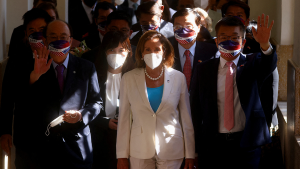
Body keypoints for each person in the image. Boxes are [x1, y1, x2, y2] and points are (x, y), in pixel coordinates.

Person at [190, 16, 276, 169]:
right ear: (216, 41)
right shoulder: (204, 69)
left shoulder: (252, 63)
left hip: (246, 144)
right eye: (224, 37)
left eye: (235, 38)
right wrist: (195, 149)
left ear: (243, 43)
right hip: (213, 146)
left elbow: (268, 64)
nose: (229, 41)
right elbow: (195, 110)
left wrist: (264, 44)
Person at [117, 30, 195, 169]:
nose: (152, 53)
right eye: (147, 49)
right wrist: (122, 155)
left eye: (157, 49)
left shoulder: (178, 78)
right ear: (141, 53)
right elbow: (124, 119)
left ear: (164, 52)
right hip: (139, 149)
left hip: (171, 149)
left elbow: (186, 118)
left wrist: (190, 153)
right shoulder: (128, 78)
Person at [31, 19, 101, 169]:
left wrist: (81, 115)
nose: (58, 41)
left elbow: (97, 103)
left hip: (78, 149)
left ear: (70, 40)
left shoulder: (86, 67)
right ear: (45, 40)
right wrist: (35, 77)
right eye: (53, 37)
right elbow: (26, 104)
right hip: (45, 151)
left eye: (63, 37)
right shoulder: (37, 67)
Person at [0, 9, 52, 168]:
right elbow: (7, 96)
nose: (37, 35)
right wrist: (5, 131)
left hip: (52, 130)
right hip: (25, 131)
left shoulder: (56, 56)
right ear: (25, 33)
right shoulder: (17, 58)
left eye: (42, 30)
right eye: (32, 31)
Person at [221, 0, 279, 128]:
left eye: (239, 15)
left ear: (247, 21)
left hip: (251, 123)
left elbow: (270, 81)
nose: (234, 19)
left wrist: (264, 44)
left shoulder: (258, 48)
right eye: (230, 15)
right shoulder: (215, 47)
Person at [91, 31, 134, 169]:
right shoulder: (94, 76)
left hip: (129, 139)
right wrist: (105, 122)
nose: (116, 54)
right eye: (111, 50)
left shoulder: (134, 77)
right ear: (104, 52)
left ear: (128, 52)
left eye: (121, 50)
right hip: (99, 138)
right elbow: (86, 106)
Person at [169, 8, 218, 90]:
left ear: (198, 28)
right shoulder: (166, 52)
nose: (183, 30)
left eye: (188, 26)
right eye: (178, 26)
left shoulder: (212, 52)